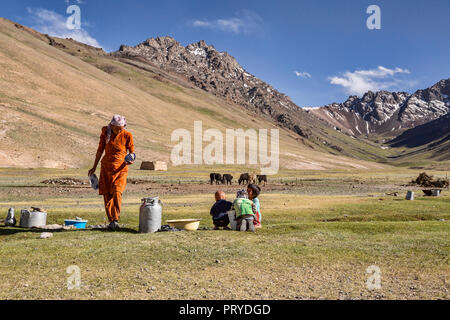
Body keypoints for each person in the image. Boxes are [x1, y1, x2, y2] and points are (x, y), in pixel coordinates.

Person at [88, 115, 135, 230]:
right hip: (106, 168)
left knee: (117, 191)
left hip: (121, 169)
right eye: (117, 128)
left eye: (121, 128)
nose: (119, 130)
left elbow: (132, 152)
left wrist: (131, 159)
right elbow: (100, 150)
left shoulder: (127, 135)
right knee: (107, 194)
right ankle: (111, 221)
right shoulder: (106, 133)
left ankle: (116, 218)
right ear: (112, 125)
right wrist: (94, 167)